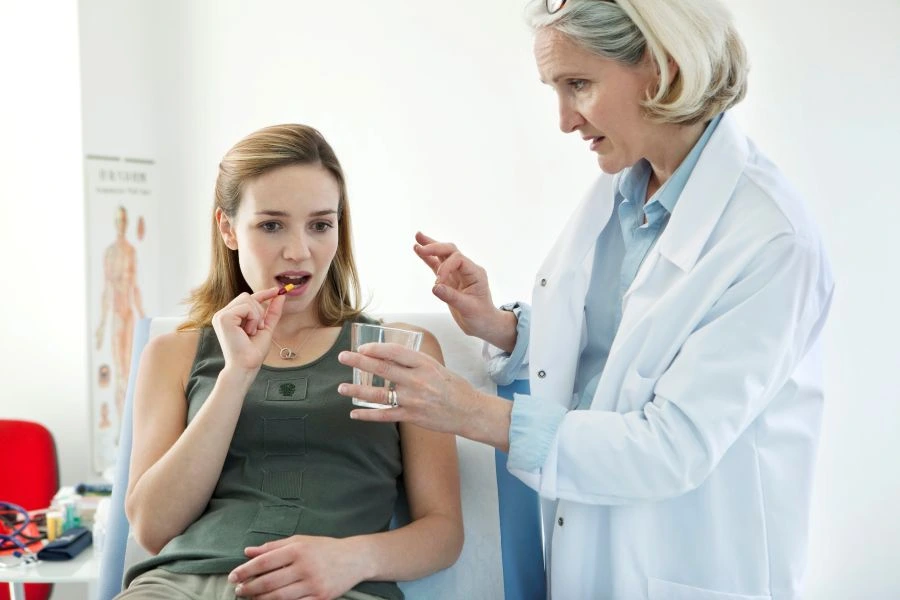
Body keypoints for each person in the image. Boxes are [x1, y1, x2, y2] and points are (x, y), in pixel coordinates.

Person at [339, 1, 834, 598]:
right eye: (556, 88)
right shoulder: (623, 190)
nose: (565, 121)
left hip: (690, 566)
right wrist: (502, 327)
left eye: (578, 85)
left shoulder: (770, 239)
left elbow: (668, 448)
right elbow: (608, 356)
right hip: (587, 556)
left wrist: (469, 411)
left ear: (666, 69)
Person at [118, 124, 463, 600]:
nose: (299, 251)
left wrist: (351, 558)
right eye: (271, 224)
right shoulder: (172, 355)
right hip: (178, 587)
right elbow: (152, 528)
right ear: (227, 228)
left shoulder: (396, 351)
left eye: (321, 224)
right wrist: (235, 375)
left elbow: (443, 532)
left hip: (330, 590)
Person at [95, 205, 145, 427]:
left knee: (131, 369)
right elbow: (106, 289)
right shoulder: (110, 252)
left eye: (124, 219)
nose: (122, 223)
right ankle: (120, 425)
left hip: (129, 315)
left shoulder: (131, 251)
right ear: (115, 223)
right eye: (118, 220)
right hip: (116, 315)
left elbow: (134, 287)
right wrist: (101, 324)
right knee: (120, 372)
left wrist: (145, 319)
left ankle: (130, 425)